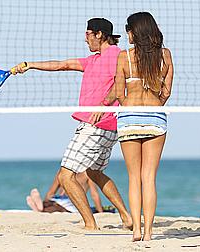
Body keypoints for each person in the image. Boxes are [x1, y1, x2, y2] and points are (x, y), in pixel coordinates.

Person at [13, 18, 132, 230]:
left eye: (88, 34)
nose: (85, 39)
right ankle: (126, 217)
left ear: (99, 34)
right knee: (95, 173)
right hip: (109, 128)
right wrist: (29, 65)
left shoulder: (117, 55)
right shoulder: (93, 60)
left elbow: (123, 84)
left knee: (65, 176)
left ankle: (90, 224)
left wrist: (104, 105)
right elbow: (62, 64)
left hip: (97, 125)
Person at [103, 12, 174, 241]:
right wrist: (154, 105)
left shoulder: (124, 57)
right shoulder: (165, 55)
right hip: (155, 117)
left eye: (128, 30)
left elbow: (118, 91)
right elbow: (166, 92)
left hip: (129, 117)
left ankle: (136, 230)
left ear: (136, 31)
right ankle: (149, 233)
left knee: (134, 177)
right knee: (149, 177)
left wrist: (127, 105)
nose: (127, 34)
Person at [26, 171, 104, 213]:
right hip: (70, 203)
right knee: (59, 209)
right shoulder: (88, 174)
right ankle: (40, 208)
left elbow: (51, 192)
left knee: (50, 205)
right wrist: (100, 212)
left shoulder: (62, 172)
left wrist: (46, 201)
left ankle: (40, 205)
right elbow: (94, 195)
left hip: (57, 199)